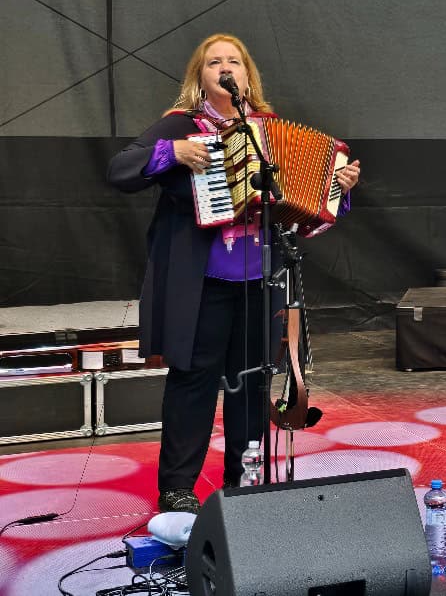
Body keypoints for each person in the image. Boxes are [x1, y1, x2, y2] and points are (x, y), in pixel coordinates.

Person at [108, 33, 361, 513]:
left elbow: (301, 216)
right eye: (214, 62)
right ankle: (178, 488)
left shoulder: (268, 131)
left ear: (247, 74)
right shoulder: (182, 125)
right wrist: (174, 153)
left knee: (252, 382)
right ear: (200, 76)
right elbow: (120, 170)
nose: (225, 68)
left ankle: (245, 483)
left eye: (234, 61)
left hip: (258, 283)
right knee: (193, 382)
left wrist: (337, 187)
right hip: (201, 284)